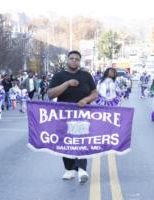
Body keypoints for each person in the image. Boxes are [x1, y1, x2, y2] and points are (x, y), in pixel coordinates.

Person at [47, 50, 98, 184]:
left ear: (79, 61)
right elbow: (51, 94)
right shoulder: (59, 76)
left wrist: (86, 100)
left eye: (77, 59)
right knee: (65, 142)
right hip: (64, 115)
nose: (74, 61)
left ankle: (82, 169)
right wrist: (67, 83)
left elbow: (95, 93)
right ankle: (69, 169)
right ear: (67, 60)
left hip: (82, 114)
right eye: (72, 58)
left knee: (81, 141)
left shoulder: (86, 75)